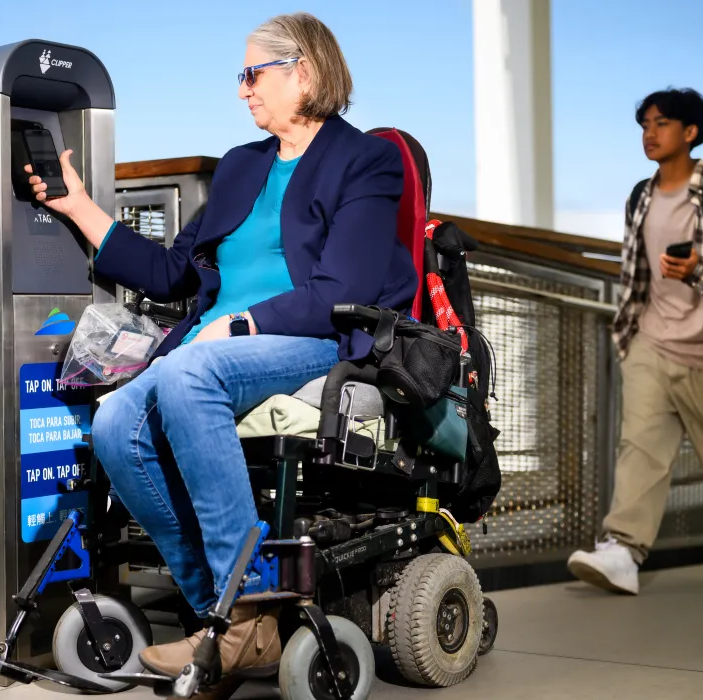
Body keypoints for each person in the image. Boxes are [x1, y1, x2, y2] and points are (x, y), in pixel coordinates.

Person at [26, 11, 417, 689]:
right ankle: (226, 616)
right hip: (212, 348)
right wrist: (81, 207)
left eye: (252, 74)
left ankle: (242, 613)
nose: (242, 91)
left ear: (306, 71)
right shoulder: (241, 167)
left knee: (190, 374)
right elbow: (176, 273)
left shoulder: (367, 161)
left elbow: (345, 288)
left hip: (312, 341)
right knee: (116, 422)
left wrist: (239, 326)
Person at [567, 88, 703, 595]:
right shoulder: (640, 195)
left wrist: (700, 270)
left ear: (690, 132)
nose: (649, 134)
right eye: (644, 125)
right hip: (651, 344)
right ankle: (623, 550)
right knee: (639, 449)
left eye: (660, 124)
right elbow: (633, 277)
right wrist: (629, 333)